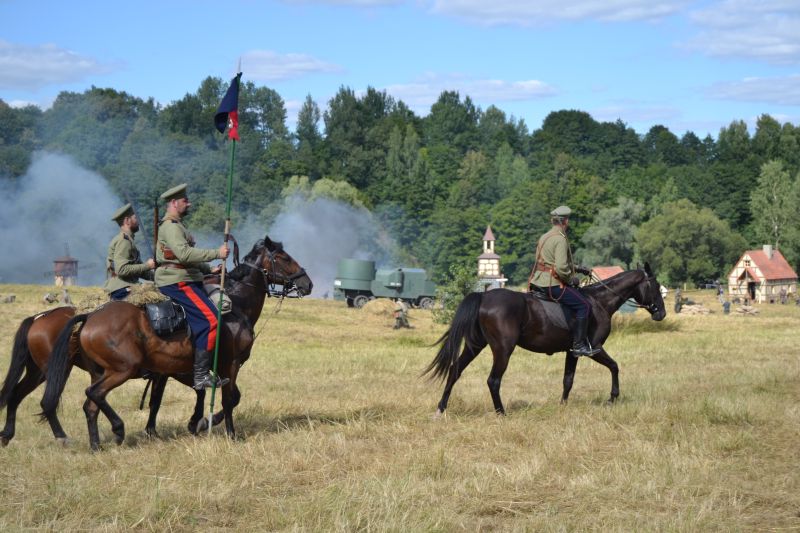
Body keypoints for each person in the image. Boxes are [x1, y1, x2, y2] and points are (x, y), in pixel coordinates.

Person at [154, 184, 230, 390]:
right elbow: (184, 255)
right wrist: (216, 252)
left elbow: (187, 258)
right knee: (212, 320)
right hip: (177, 281)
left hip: (187, 276)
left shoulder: (178, 226)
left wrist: (209, 269)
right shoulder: (171, 226)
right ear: (173, 203)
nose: (189, 203)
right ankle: (200, 376)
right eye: (185, 200)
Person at [528, 205, 598, 358]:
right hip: (552, 284)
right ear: (565, 221)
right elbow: (560, 268)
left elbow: (548, 262)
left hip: (538, 281)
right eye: (568, 220)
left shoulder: (544, 236)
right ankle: (579, 345)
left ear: (554, 221)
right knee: (584, 305)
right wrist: (571, 278)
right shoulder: (560, 239)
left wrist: (578, 269)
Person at [103, 203, 156, 301]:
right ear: (127, 221)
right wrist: (148, 266)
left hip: (124, 287)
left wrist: (159, 276)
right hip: (123, 289)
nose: (138, 221)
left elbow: (139, 271)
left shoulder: (128, 240)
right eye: (135, 218)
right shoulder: (124, 241)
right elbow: (122, 270)